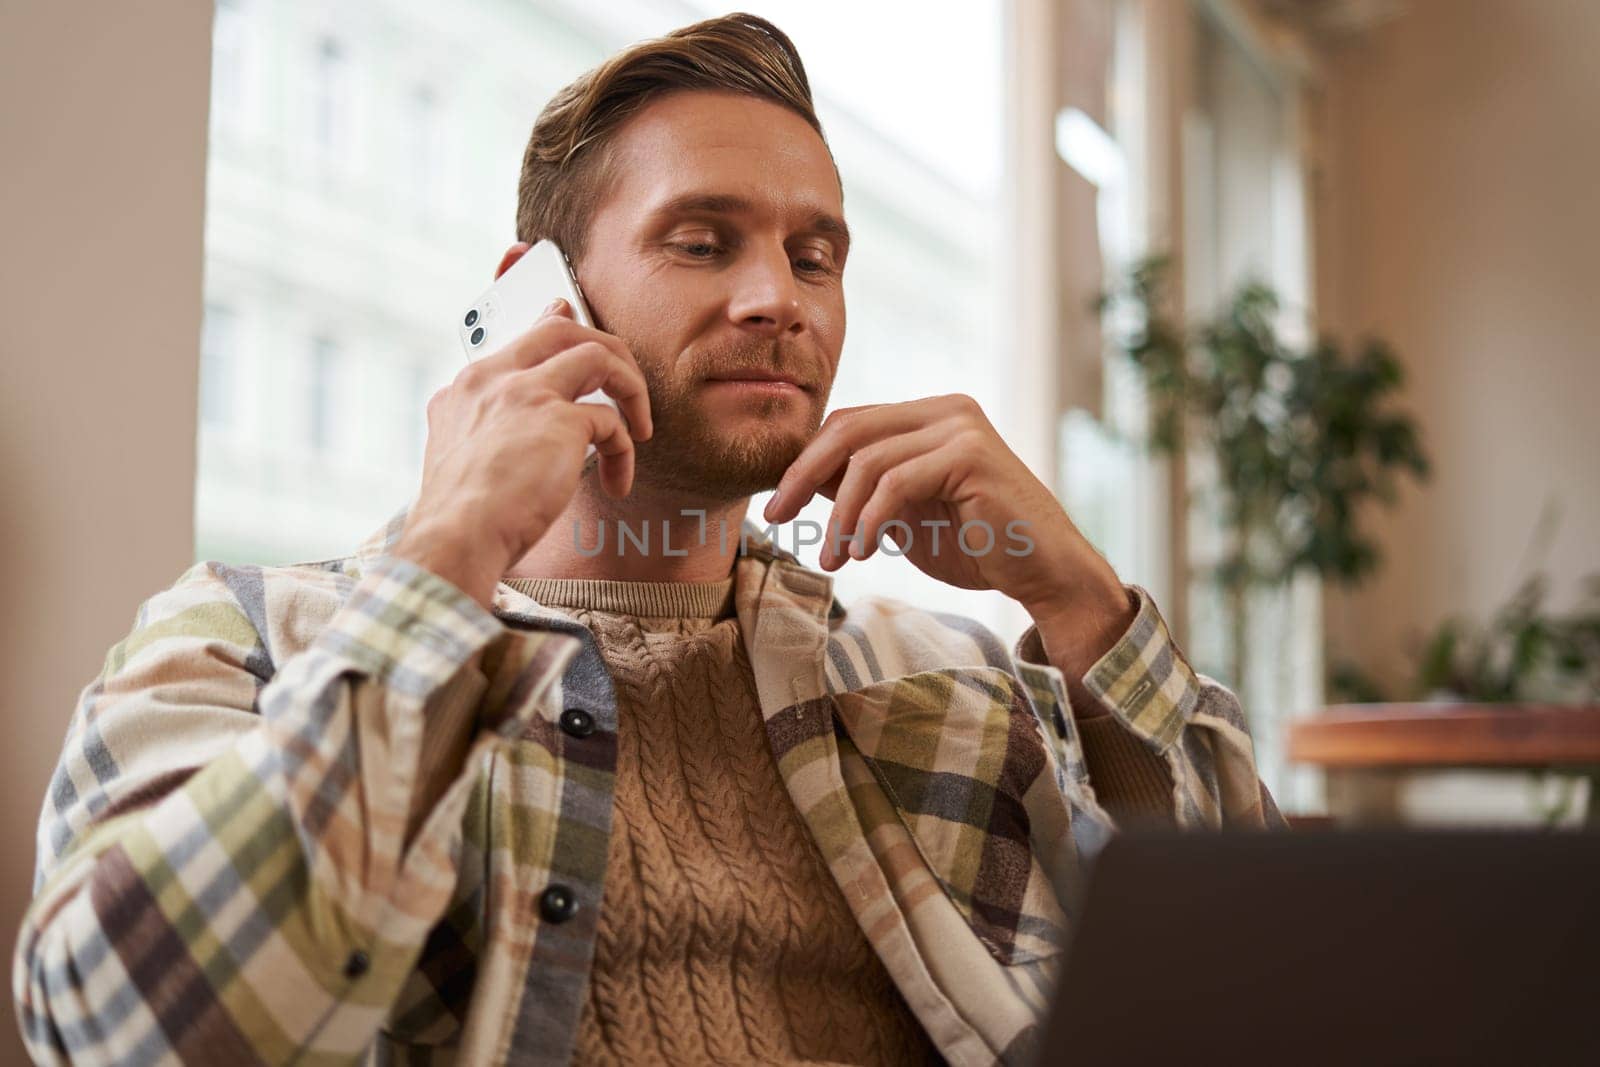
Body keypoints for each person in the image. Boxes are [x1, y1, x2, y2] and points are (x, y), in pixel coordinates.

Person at [14, 13, 1281, 1066]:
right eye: (702, 239)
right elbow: (122, 1032)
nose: (777, 296)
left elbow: (1265, 993)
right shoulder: (249, 639)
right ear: (540, 294)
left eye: (814, 254)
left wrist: (1075, 599)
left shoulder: (947, 673)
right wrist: (450, 548)